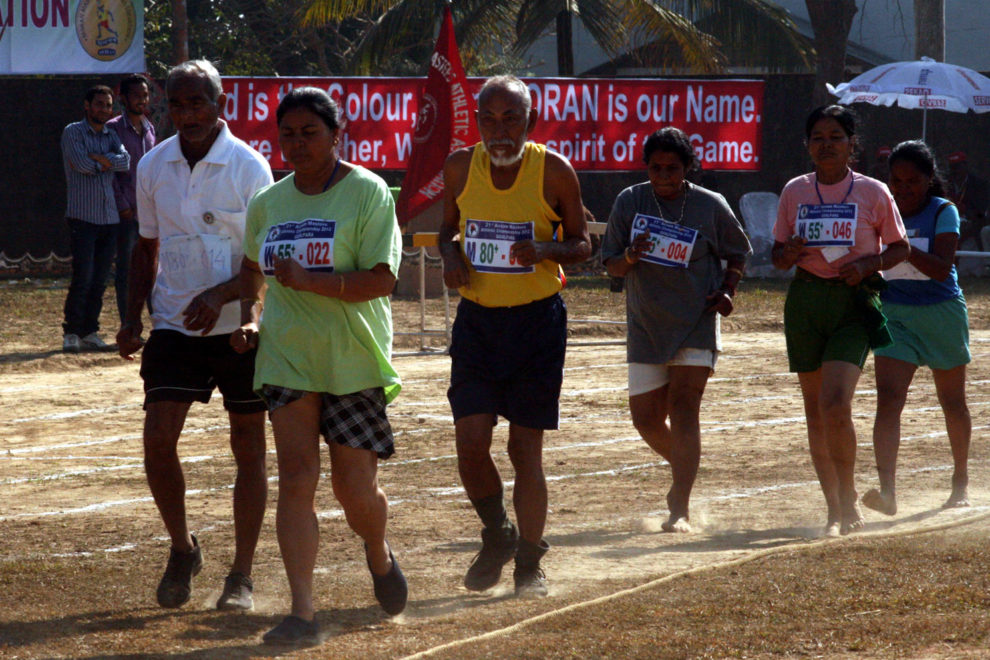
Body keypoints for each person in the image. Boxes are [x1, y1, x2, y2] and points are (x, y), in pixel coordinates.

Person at [233, 87, 406, 646]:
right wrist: (252, 319)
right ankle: (303, 611)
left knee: (354, 490)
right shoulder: (268, 202)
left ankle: (377, 553)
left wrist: (313, 282)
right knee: (296, 480)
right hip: (287, 359)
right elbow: (252, 274)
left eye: (310, 132)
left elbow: (382, 280)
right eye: (288, 134)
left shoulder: (368, 193)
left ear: (337, 135)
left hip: (352, 361)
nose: (297, 143)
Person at [116, 60, 274, 611]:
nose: (188, 114)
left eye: (198, 102)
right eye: (177, 104)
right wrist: (131, 316)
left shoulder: (251, 169)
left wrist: (228, 299)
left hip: (239, 331)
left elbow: (262, 262)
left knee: (248, 448)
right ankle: (183, 548)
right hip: (175, 325)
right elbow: (147, 247)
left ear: (221, 103)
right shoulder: (153, 165)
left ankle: (242, 574)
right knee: (158, 440)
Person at [439, 75, 591, 598]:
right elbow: (445, 232)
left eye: (512, 119)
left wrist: (547, 252)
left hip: (536, 323)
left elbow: (582, 245)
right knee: (470, 445)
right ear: (476, 121)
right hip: (478, 324)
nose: (500, 130)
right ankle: (497, 533)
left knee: (525, 449)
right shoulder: (461, 166)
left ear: (530, 122)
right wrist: (450, 255)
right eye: (490, 119)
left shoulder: (554, 171)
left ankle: (530, 560)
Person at [601, 127, 752, 533]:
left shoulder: (710, 205)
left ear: (688, 168)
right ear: (646, 168)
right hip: (646, 325)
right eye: (655, 168)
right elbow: (611, 263)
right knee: (646, 420)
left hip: (696, 323)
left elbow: (738, 251)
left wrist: (728, 289)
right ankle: (687, 464)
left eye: (672, 168)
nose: (663, 175)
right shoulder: (630, 202)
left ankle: (680, 504)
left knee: (684, 409)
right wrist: (632, 254)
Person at [771, 105, 908, 538]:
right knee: (816, 412)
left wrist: (870, 263)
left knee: (835, 404)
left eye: (835, 136)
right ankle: (834, 508)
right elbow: (775, 257)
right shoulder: (795, 191)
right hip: (807, 301)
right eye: (817, 137)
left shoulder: (873, 192)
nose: (825, 144)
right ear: (807, 145)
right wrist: (789, 252)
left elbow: (900, 248)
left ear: (852, 144)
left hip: (853, 302)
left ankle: (849, 500)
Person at [863, 140, 971, 516]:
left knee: (952, 401)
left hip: (941, 313)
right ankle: (887, 490)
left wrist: (903, 247)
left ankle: (960, 481)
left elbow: (942, 267)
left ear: (929, 180)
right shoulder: (881, 208)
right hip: (896, 314)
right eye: (896, 180)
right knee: (889, 400)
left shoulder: (945, 211)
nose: (904, 188)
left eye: (913, 180)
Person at [61, 84, 130, 353]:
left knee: (100, 279)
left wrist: (102, 160)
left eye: (108, 105)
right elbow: (81, 165)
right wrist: (106, 162)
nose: (104, 109)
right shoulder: (73, 132)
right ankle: (72, 332)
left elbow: (126, 161)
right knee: (83, 277)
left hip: (109, 218)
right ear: (87, 106)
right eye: (99, 104)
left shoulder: (111, 134)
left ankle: (90, 331)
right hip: (83, 217)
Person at [107, 74, 156, 325]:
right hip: (126, 214)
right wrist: (122, 204)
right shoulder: (113, 128)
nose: (142, 99)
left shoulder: (150, 128)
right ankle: (129, 325)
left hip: (149, 213)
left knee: (152, 269)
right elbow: (111, 173)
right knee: (127, 271)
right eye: (137, 95)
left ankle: (159, 323)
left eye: (145, 95)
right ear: (123, 98)